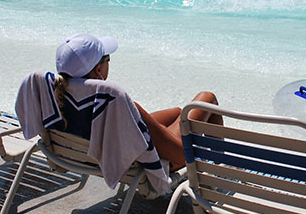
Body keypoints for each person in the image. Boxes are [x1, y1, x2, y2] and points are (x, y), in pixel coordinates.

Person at [50, 34, 223, 172]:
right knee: (207, 98)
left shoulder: (56, 99)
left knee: (178, 112)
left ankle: (165, 134)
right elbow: (180, 156)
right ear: (98, 70)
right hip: (147, 163)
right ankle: (220, 170)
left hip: (97, 154)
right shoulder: (118, 105)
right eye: (107, 58)